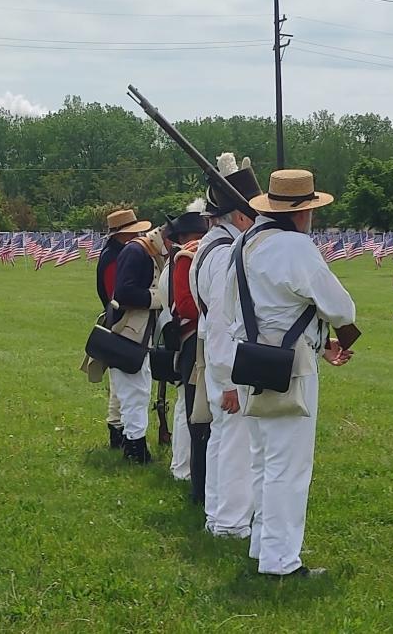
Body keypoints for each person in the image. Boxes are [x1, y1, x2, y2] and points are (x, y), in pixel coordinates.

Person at [231, 168, 356, 578]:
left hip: (251, 359)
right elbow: (340, 308)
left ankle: (263, 547)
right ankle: (281, 562)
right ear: (302, 213)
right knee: (289, 468)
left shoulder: (244, 245)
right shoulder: (294, 248)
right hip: (293, 366)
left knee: (265, 461)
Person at [191, 153, 261, 531]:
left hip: (220, 361)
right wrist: (232, 381)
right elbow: (220, 322)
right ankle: (231, 523)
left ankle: (218, 516)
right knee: (236, 444)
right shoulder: (226, 254)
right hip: (228, 363)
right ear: (238, 216)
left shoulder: (210, 246)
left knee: (223, 439)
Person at [89, 208, 151, 450]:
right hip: (123, 323)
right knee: (127, 387)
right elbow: (118, 294)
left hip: (119, 321)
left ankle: (119, 431)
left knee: (120, 387)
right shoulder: (115, 259)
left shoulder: (115, 254)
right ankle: (125, 437)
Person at [110, 224, 168, 463]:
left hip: (140, 332)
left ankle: (131, 441)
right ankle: (135, 449)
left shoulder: (145, 251)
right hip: (130, 333)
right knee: (135, 391)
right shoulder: (136, 252)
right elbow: (123, 293)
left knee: (136, 391)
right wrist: (160, 297)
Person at [162, 207, 209, 487]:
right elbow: (186, 307)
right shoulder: (184, 259)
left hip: (185, 336)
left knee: (186, 407)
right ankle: (183, 467)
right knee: (188, 409)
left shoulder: (179, 259)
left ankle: (183, 466)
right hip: (188, 338)